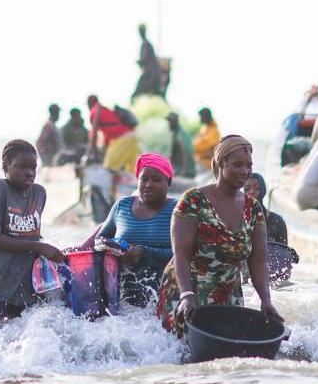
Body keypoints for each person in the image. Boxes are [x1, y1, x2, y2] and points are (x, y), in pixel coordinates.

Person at [156, 135, 284, 338]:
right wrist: (186, 295)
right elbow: (181, 254)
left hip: (227, 294)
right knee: (181, 356)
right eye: (237, 165)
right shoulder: (193, 201)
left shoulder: (254, 208)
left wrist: (266, 300)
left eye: (249, 165)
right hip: (187, 290)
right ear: (220, 163)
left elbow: (258, 261)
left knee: (224, 359)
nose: (245, 171)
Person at [0, 139, 66, 321]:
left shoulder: (39, 193)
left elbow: (33, 235)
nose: (29, 173)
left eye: (33, 167)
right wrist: (39, 247)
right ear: (6, 166)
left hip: (29, 290)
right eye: (21, 167)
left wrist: (52, 253)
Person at [82, 153, 176, 307]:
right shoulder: (122, 205)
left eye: (156, 180)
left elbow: (183, 254)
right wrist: (113, 248)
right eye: (143, 179)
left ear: (169, 182)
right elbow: (100, 239)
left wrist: (144, 252)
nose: (148, 184)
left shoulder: (177, 211)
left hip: (162, 297)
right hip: (120, 295)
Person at [87, 95, 141, 173]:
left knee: (109, 170)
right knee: (133, 171)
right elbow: (108, 131)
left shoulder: (94, 112)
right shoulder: (106, 109)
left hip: (121, 139)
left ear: (89, 103)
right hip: (133, 136)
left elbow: (94, 135)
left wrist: (93, 153)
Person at [246, 172, 287, 245]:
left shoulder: (277, 221)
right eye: (247, 189)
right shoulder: (238, 220)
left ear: (263, 190)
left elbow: (283, 252)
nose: (252, 191)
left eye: (256, 188)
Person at [133, 24, 164, 99]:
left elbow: (144, 58)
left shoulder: (146, 44)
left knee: (137, 93)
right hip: (152, 73)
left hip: (150, 74)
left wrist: (140, 62)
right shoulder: (146, 44)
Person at [167, 112, 196, 179]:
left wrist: (183, 172)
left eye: (170, 122)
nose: (168, 124)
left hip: (186, 171)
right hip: (181, 169)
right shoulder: (177, 133)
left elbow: (185, 153)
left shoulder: (180, 135)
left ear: (174, 122)